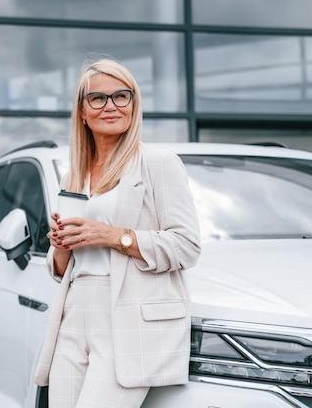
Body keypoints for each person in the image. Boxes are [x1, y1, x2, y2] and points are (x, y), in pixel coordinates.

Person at [33, 58, 202, 408]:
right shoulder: (75, 175)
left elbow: (186, 246)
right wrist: (61, 244)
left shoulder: (158, 164)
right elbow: (64, 268)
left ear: (133, 105)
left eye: (121, 96)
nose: (110, 106)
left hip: (127, 319)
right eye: (98, 98)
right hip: (74, 313)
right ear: (82, 111)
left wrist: (111, 236)